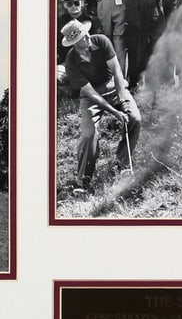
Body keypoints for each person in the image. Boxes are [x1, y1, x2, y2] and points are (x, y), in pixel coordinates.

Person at [60, 19, 141, 191]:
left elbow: (117, 71)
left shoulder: (101, 41)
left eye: (86, 33)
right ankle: (83, 180)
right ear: (74, 43)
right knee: (88, 135)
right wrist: (115, 112)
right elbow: (91, 93)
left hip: (113, 86)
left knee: (135, 118)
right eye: (82, 37)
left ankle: (122, 165)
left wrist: (122, 98)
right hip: (91, 97)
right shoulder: (71, 63)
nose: (88, 37)